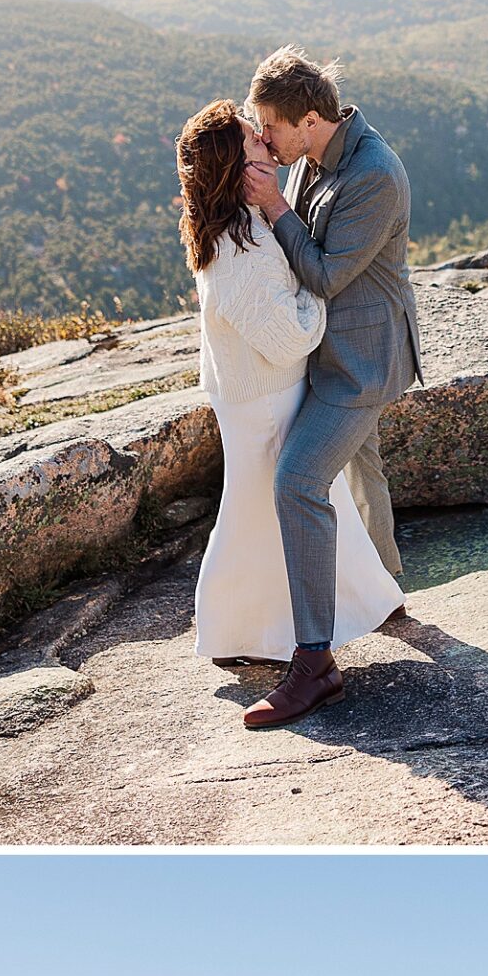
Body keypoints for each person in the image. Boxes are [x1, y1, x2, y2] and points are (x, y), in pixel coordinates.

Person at [176, 102, 401, 671]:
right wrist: (321, 293)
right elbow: (288, 336)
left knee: (303, 501)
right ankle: (250, 628)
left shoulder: (239, 223)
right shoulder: (239, 248)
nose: (267, 144)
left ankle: (366, 600)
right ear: (238, 167)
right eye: (256, 141)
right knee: (263, 510)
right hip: (265, 398)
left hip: (256, 390)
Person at [237, 49, 422, 731]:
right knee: (363, 464)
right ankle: (387, 592)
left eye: (271, 129)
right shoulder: (318, 154)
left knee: (298, 481)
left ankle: (314, 664)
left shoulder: (374, 175)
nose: (267, 140)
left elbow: (323, 274)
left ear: (309, 120)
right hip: (335, 351)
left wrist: (275, 203)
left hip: (363, 362)